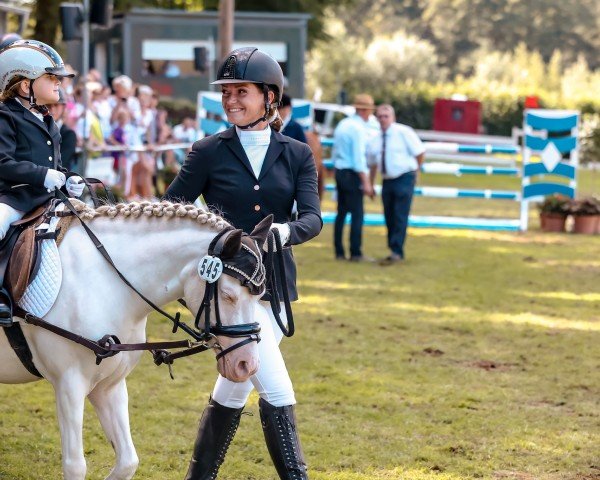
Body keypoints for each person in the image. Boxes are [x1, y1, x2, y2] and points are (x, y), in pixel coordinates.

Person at [164, 47, 322, 480]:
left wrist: (280, 233)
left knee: (234, 386)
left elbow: (312, 218)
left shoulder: (296, 153)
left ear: (269, 97)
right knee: (276, 387)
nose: (231, 100)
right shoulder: (207, 151)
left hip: (273, 285)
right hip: (228, 293)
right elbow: (170, 208)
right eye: (226, 92)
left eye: (242, 91)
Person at [0, 39, 84, 326]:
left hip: (49, 199)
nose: (59, 82)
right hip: (14, 199)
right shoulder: (5, 116)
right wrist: (41, 176)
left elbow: (56, 165)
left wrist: (70, 179)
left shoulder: (48, 120)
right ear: (26, 86)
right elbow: (3, 162)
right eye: (51, 77)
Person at [367, 104, 425, 265]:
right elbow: (372, 165)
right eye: (380, 116)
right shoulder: (375, 140)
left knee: (400, 214)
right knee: (389, 214)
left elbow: (419, 152)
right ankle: (393, 246)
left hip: (404, 176)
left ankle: (397, 250)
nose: (383, 119)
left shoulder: (404, 132)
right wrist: (371, 184)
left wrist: (415, 171)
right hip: (387, 179)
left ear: (392, 118)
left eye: (386, 116)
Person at [332, 93, 375, 261]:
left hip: (340, 171)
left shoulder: (343, 124)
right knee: (357, 214)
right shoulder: (358, 129)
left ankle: (339, 251)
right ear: (365, 111)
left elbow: (336, 151)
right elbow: (358, 159)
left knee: (341, 212)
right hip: (352, 173)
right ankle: (355, 252)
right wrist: (366, 182)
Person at [48, 87, 78, 172]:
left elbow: (62, 163)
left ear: (63, 107)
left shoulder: (68, 134)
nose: (52, 110)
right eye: (48, 105)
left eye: (56, 105)